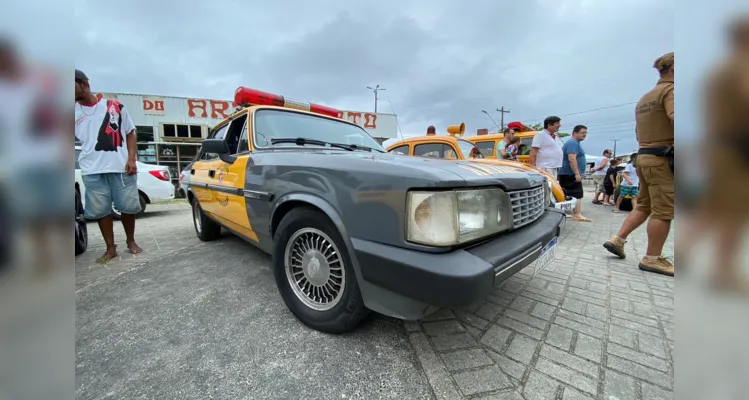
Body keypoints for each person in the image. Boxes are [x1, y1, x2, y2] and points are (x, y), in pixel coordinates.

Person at [678, 16, 749, 293]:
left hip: (721, 148)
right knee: (733, 213)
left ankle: (684, 250)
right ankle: (722, 272)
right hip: (736, 149)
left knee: (715, 210)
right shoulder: (739, 67)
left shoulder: (721, 69)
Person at [603, 52, 674, 276]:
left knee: (645, 204)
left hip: (644, 156)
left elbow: (637, 132)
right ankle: (652, 258)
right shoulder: (672, 91)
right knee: (664, 211)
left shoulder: (645, 98)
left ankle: (618, 239)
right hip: (663, 158)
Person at [74, 69, 143, 263]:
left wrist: (131, 158)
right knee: (100, 210)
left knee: (128, 207)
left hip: (120, 167)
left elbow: (130, 132)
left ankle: (131, 241)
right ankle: (110, 248)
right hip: (92, 170)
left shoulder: (115, 107)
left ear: (84, 84)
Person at [558, 125, 592, 222]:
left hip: (567, 173)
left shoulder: (574, 143)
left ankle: (564, 212)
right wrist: (577, 173)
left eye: (586, 133)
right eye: (582, 133)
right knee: (577, 193)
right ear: (575, 133)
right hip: (570, 173)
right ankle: (577, 214)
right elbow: (572, 159)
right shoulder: (573, 143)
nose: (584, 135)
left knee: (565, 193)